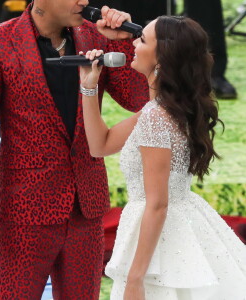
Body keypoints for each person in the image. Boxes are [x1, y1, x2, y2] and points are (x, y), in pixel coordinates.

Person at [0, 1, 148, 299]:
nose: (83, 2)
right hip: (25, 208)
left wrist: (123, 44)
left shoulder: (96, 36)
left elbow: (137, 98)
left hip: (86, 205)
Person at [79, 16, 246, 299]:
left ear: (161, 59)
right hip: (179, 223)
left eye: (142, 39)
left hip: (161, 236)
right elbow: (100, 145)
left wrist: (135, 279)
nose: (133, 43)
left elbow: (157, 204)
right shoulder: (161, 110)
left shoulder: (156, 117)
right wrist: (89, 87)